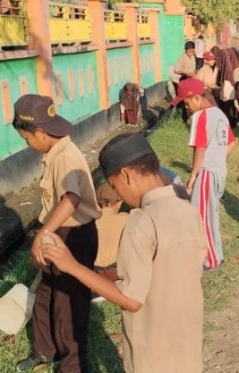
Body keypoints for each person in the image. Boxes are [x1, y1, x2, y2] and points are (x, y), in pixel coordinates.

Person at [41, 133, 208, 373]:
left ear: (126, 175)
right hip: (187, 344)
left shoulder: (141, 222)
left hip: (153, 352)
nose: (118, 194)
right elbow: (167, 267)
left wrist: (72, 266)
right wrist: (107, 274)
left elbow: (131, 300)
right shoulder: (187, 211)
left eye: (114, 186)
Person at [12, 94, 101, 372]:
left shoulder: (65, 155)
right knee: (46, 293)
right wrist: (46, 235)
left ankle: (73, 364)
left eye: (26, 140)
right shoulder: (52, 151)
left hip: (75, 236)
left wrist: (42, 234)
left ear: (39, 133)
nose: (27, 145)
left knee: (68, 304)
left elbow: (71, 199)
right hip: (58, 231)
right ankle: (45, 351)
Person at [171, 78, 236, 270]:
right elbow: (232, 143)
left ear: (196, 98)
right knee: (211, 215)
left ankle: (211, 260)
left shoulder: (200, 117)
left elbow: (199, 148)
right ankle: (216, 254)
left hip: (207, 173)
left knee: (201, 217)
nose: (186, 108)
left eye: (187, 103)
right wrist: (217, 158)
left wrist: (193, 176)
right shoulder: (220, 115)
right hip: (219, 171)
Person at [93, 183, 128, 282]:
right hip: (117, 275)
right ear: (118, 202)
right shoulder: (126, 219)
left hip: (93, 274)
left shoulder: (88, 222)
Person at [173, 41, 197, 122]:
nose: (191, 52)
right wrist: (186, 72)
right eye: (189, 51)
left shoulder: (193, 56)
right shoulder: (182, 58)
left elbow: (193, 68)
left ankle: (192, 116)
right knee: (185, 100)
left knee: (192, 99)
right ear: (185, 50)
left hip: (192, 80)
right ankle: (184, 118)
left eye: (192, 51)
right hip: (184, 79)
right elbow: (176, 70)